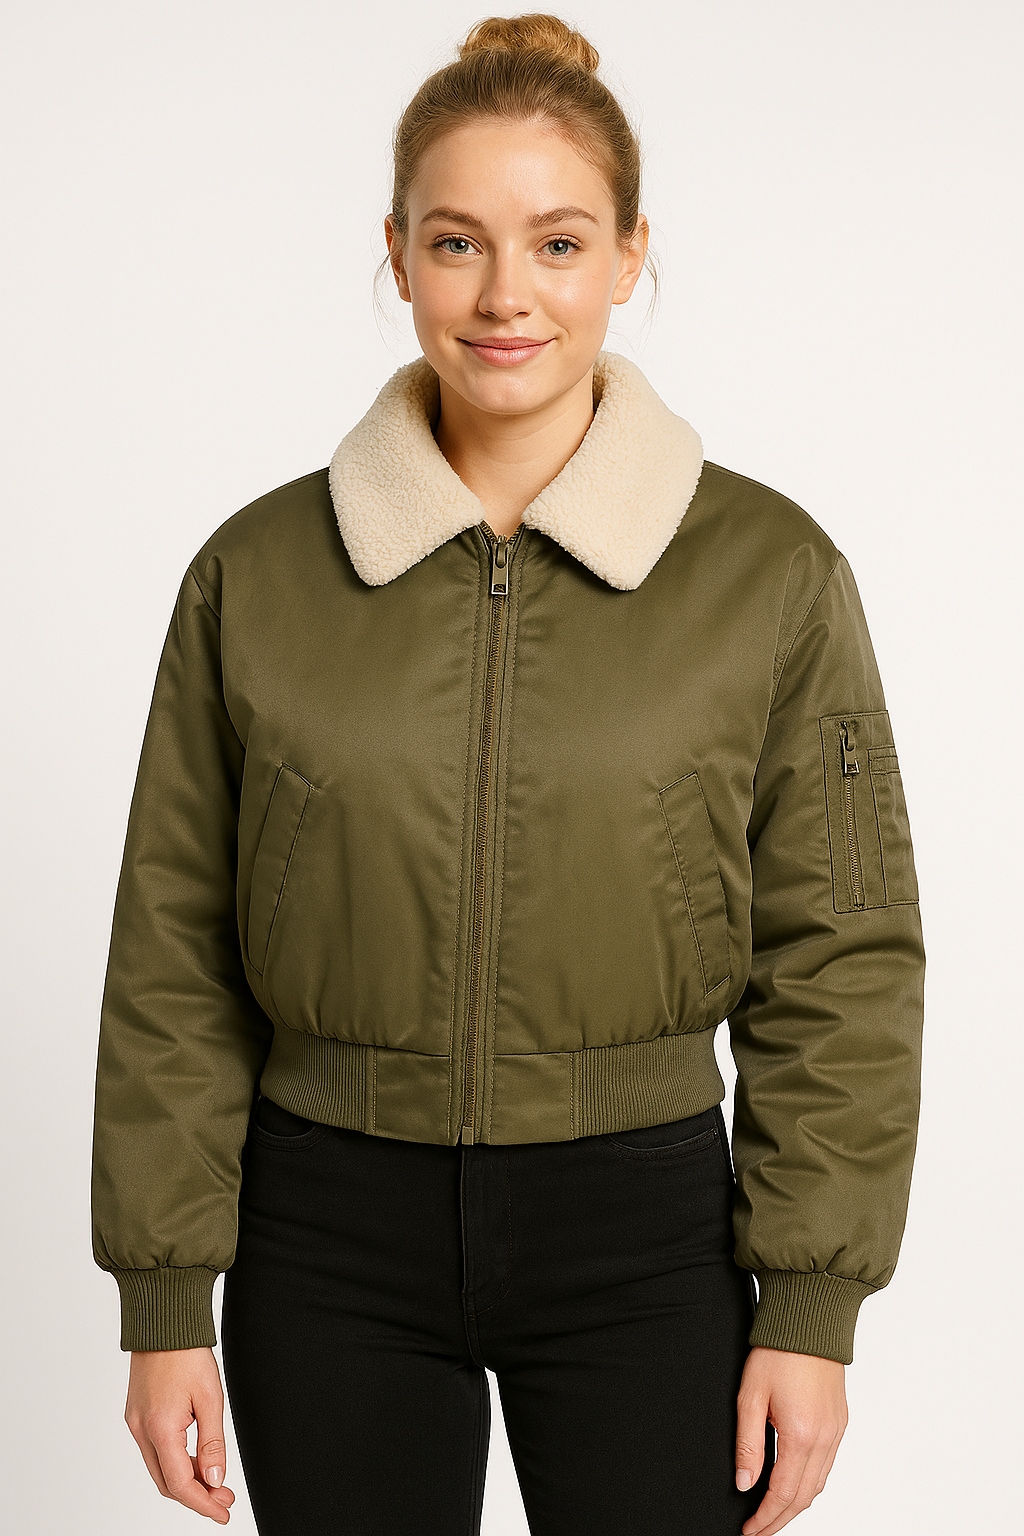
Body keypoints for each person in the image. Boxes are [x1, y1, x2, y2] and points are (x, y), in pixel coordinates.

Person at [91, 14, 925, 1536]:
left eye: (557, 242)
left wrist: (813, 1306)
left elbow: (845, 955)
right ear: (397, 255)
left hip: (648, 1236)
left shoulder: (771, 574)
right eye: (457, 241)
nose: (504, 296)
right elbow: (173, 952)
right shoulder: (257, 574)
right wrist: (163, 1296)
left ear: (629, 257)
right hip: (326, 1233)